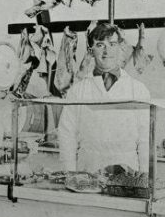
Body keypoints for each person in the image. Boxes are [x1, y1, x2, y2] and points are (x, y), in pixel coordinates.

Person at [57, 23, 152, 173]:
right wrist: (70, 172)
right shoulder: (77, 91)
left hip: (128, 171)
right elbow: (66, 135)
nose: (107, 51)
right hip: (88, 169)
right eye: (100, 45)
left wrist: (145, 174)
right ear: (91, 50)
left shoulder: (138, 90)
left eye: (112, 44)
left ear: (120, 47)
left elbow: (146, 139)